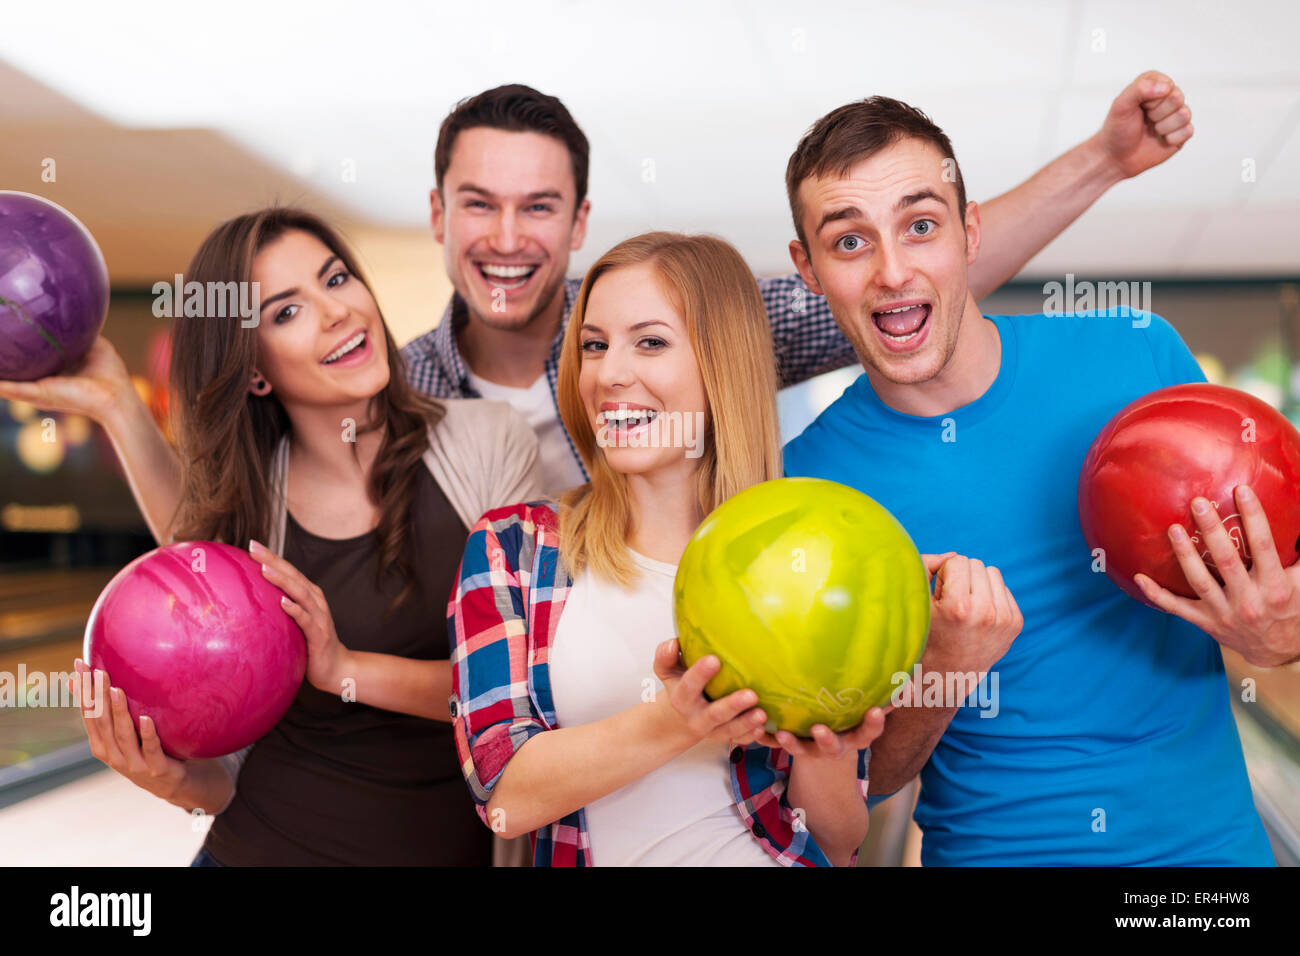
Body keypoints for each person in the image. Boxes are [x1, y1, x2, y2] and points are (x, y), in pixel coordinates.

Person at [780, 95, 1291, 865]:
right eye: (850, 241)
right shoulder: (809, 486)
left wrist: (1284, 636)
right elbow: (849, 799)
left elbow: (1283, 576)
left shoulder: (1137, 358)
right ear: (808, 272)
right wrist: (945, 671)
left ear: (970, 233)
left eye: (921, 226)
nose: (892, 271)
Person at [446, 231, 1015, 866]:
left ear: (722, 364)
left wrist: (823, 754)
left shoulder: (807, 550)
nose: (611, 373)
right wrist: (677, 721)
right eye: (594, 346)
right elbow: (505, 796)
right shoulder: (514, 546)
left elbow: (837, 838)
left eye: (651, 342)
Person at [404, 75, 1195, 492]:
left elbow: (905, 291)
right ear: (439, 212)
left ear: (578, 224)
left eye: (537, 207)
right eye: (480, 205)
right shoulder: (390, 392)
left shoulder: (691, 327)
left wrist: (1105, 160)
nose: (507, 239)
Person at [64, 207, 539, 865]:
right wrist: (170, 779)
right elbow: (221, 783)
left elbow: (526, 689)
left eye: (336, 279)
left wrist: (346, 669)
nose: (337, 311)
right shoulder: (251, 507)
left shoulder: (488, 442)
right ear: (255, 371)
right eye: (287, 312)